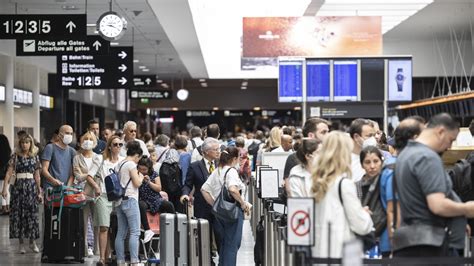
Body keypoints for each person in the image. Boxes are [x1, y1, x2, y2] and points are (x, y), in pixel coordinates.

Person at [393, 113, 474, 257]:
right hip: (430, 245)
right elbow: (438, 205)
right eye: (451, 140)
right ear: (441, 131)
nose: (449, 147)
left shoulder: (405, 155)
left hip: (412, 242)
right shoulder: (427, 157)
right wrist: (466, 209)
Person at [312, 131, 373, 258]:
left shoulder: (316, 182)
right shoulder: (344, 184)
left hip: (320, 252)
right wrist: (364, 214)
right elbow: (361, 225)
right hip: (342, 253)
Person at [201, 147, 250, 266]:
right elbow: (232, 189)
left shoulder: (218, 170)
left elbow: (204, 189)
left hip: (220, 214)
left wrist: (215, 205)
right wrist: (243, 204)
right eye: (238, 157)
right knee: (232, 245)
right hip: (232, 212)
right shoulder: (232, 171)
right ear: (234, 158)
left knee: (224, 245)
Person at [1, 134, 42, 254]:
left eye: (27, 142)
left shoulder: (35, 157)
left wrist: (39, 191)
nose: (25, 145)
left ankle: (32, 242)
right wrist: (5, 189)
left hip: (31, 188)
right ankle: (21, 244)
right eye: (23, 143)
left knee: (32, 214)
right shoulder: (15, 157)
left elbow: (37, 176)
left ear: (31, 144)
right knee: (19, 214)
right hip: (18, 188)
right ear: (20, 144)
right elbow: (8, 174)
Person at [181, 137, 221, 257]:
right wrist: (184, 194)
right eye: (216, 149)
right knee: (204, 236)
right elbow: (187, 184)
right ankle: (208, 260)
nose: (219, 151)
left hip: (219, 206)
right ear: (207, 151)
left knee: (220, 235)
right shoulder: (195, 166)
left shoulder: (221, 164)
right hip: (202, 207)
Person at [94, 135, 124, 266]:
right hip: (104, 195)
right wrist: (96, 187)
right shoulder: (101, 160)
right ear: (110, 146)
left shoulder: (123, 161)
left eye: (120, 144)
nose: (118, 147)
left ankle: (113, 255)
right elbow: (90, 175)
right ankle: (102, 258)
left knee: (117, 227)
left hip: (119, 197)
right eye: (115, 144)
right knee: (104, 227)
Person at [72, 131, 102, 257]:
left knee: (98, 222)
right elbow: (77, 176)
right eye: (85, 139)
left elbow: (100, 174)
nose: (88, 141)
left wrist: (87, 176)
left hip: (96, 192)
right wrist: (91, 175)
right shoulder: (77, 157)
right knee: (83, 222)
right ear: (81, 141)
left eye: (91, 139)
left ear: (95, 142)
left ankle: (97, 249)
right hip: (82, 192)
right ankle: (84, 248)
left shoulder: (98, 157)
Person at [114, 141, 144, 265]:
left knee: (121, 232)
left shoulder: (119, 164)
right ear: (136, 155)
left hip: (119, 201)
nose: (138, 161)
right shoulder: (131, 164)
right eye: (139, 159)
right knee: (135, 232)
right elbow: (137, 183)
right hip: (130, 200)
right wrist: (141, 177)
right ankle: (134, 261)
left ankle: (120, 261)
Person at [356, 146, 388, 256]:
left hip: (385, 236)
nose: (372, 166)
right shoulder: (356, 187)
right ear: (361, 165)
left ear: (381, 161)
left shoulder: (387, 183)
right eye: (367, 162)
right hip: (364, 237)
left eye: (376, 161)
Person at [137, 157, 175, 244]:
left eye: (144, 169)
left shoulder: (154, 174)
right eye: (140, 169)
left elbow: (158, 188)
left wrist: (149, 182)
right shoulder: (136, 174)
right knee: (141, 205)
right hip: (143, 199)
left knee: (169, 205)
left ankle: (173, 227)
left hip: (155, 198)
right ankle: (147, 230)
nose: (142, 171)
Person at [0, 134, 12, 215]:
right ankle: (7, 207)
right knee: (6, 189)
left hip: (1, 173)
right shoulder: (8, 153)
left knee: (1, 190)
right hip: (7, 173)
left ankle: (3, 208)